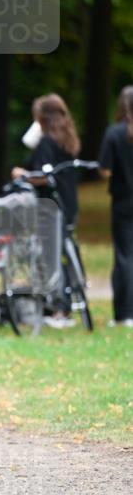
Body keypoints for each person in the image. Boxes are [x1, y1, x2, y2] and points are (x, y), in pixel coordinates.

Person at [12, 93, 81, 328]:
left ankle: (59, 308)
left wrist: (22, 175)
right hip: (69, 202)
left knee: (50, 256)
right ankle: (68, 303)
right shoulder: (67, 138)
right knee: (64, 253)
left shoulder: (47, 142)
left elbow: (43, 176)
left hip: (50, 205)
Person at [99, 85, 133, 327]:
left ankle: (124, 313)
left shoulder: (114, 134)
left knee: (124, 258)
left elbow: (105, 170)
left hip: (123, 202)